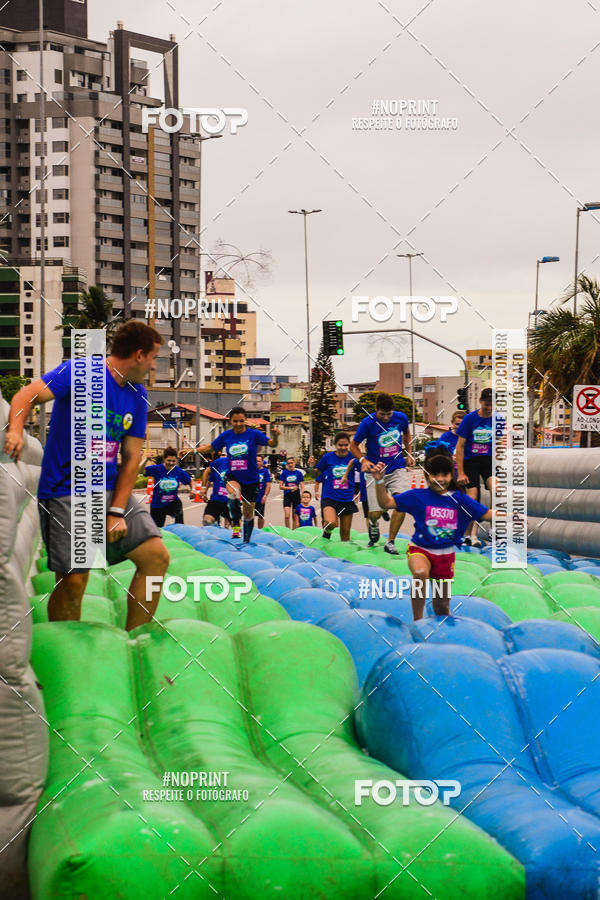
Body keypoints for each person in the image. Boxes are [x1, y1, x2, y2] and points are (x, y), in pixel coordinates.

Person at [3, 320, 170, 631]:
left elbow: (132, 458)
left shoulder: (137, 394)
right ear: (138, 354)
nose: (153, 365)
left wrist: (117, 512)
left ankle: (136, 639)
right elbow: (25, 395)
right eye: (153, 357)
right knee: (75, 579)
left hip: (108, 490)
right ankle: (65, 649)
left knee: (156, 557)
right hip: (65, 490)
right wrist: (15, 430)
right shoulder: (81, 372)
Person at [373, 453, 493, 621]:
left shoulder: (459, 499)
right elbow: (386, 503)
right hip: (420, 549)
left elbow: (486, 513)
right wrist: (379, 481)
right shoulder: (417, 496)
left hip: (445, 556)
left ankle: (439, 627)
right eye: (434, 474)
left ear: (451, 476)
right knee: (420, 572)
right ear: (426, 475)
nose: (440, 479)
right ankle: (418, 621)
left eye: (444, 474)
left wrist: (512, 517)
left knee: (442, 607)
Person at [197, 407, 279, 543]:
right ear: (230, 421)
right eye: (235, 421)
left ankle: (246, 541)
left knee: (248, 514)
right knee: (233, 493)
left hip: (251, 480)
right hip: (233, 476)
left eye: (241, 421)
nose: (239, 424)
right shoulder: (226, 436)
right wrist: (192, 450)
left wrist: (275, 436)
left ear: (245, 420)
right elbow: (210, 447)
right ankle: (236, 525)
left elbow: (272, 443)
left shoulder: (254, 434)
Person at [349, 392, 414, 554]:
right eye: (382, 414)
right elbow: (354, 445)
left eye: (389, 414)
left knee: (403, 502)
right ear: (376, 410)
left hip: (396, 467)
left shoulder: (401, 418)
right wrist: (363, 461)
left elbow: (407, 433)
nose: (386, 417)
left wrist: (409, 453)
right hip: (375, 471)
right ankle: (373, 523)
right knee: (375, 513)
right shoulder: (368, 423)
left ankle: (390, 541)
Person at [455, 387, 496, 548]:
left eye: (492, 405)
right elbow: (460, 446)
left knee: (496, 489)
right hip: (471, 460)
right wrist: (461, 472)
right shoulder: (470, 419)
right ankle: (468, 535)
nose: (489, 408)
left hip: (488, 460)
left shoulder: (498, 419)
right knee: (473, 496)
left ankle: (492, 528)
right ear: (480, 401)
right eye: (486, 404)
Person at [314, 432, 361, 542]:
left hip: (347, 498)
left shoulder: (353, 457)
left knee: (345, 535)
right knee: (331, 523)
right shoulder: (327, 457)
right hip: (330, 497)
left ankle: (343, 555)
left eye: (346, 445)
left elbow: (364, 470)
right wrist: (312, 468)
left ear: (349, 445)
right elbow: (316, 474)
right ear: (335, 445)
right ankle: (327, 531)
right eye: (340, 445)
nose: (343, 448)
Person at [141, 446, 192, 527]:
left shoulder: (178, 471)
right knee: (157, 530)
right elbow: (140, 470)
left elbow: (189, 481)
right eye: (168, 460)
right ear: (164, 459)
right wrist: (146, 459)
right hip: (158, 504)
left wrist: (193, 490)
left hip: (173, 502)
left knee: (180, 522)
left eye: (173, 461)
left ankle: (179, 533)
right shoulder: (157, 469)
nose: (171, 463)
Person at [201, 451, 232, 527]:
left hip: (232, 501)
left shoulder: (244, 465)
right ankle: (214, 530)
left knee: (236, 528)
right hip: (216, 500)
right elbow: (207, 472)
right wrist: (204, 489)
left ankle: (228, 529)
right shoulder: (220, 462)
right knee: (207, 521)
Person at [278, 455, 304, 529]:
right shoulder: (284, 473)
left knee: (295, 516)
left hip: (296, 495)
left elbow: (302, 485)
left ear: (294, 463)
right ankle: (287, 530)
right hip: (287, 495)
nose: (290, 464)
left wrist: (303, 495)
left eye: (291, 463)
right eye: (288, 463)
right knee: (287, 516)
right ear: (287, 464)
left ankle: (293, 531)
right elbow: (280, 486)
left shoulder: (299, 473)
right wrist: (291, 487)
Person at [255, 454, 272, 529]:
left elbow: (268, 485)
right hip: (251, 497)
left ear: (262, 462)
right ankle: (249, 531)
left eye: (259, 461)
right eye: (256, 461)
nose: (257, 462)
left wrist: (265, 496)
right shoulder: (251, 470)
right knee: (249, 516)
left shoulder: (265, 471)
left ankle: (260, 531)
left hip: (260, 497)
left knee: (261, 516)